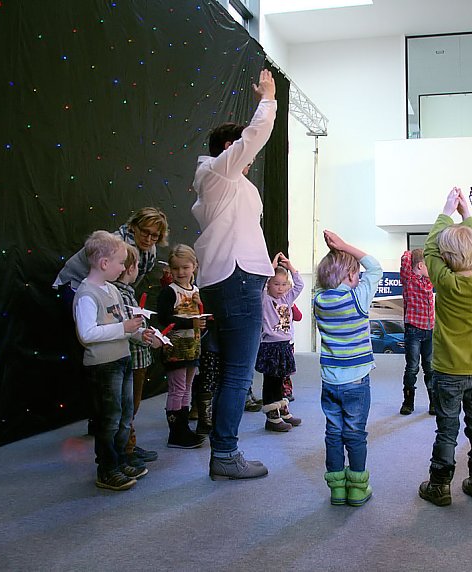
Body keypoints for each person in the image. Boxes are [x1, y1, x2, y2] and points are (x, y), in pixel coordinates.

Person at [192, 69, 277, 480]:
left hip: (235, 279)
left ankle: (223, 451)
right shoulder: (217, 174)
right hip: (236, 279)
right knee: (239, 374)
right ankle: (225, 454)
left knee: (232, 371)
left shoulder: (235, 187)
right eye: (242, 150)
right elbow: (253, 138)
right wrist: (268, 99)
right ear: (230, 148)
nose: (251, 157)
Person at [418, 188, 472, 506]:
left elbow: (429, 250)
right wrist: (467, 215)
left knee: (446, 429)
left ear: (445, 258)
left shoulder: (445, 284)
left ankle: (440, 485)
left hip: (448, 372)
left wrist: (446, 211)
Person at [72, 231, 156, 491]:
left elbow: (122, 325)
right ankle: (107, 469)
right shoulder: (87, 294)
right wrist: (124, 329)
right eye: (121, 262)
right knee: (109, 419)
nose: (124, 268)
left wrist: (141, 334)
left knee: (124, 415)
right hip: (103, 366)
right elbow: (87, 334)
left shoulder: (112, 291)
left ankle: (119, 461)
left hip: (123, 359)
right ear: (104, 263)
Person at [314, 231, 382, 507]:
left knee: (333, 433)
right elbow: (375, 266)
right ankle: (356, 488)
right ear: (353, 276)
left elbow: (321, 284)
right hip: (356, 381)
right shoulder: (358, 299)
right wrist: (343, 246)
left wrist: (333, 259)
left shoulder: (318, 301)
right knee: (355, 434)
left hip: (329, 381)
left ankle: (337, 490)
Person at [110, 245, 159, 465]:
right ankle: (125, 450)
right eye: (137, 265)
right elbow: (125, 326)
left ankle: (129, 444)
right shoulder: (119, 294)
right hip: (132, 357)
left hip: (139, 356)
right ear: (129, 268)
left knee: (131, 406)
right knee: (128, 406)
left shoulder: (127, 292)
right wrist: (144, 336)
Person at [157, 244, 206, 449]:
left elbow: (202, 316)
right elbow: (164, 318)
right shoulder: (170, 292)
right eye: (176, 268)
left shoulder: (196, 291)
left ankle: (184, 429)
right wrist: (190, 322)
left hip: (193, 345)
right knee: (177, 389)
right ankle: (176, 433)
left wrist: (202, 319)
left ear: (194, 266)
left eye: (185, 268)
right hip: (175, 347)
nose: (180, 273)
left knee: (187, 387)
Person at [256, 252, 304, 432]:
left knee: (282, 379)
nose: (280, 288)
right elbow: (260, 286)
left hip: (285, 344)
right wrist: (271, 267)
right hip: (270, 346)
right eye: (276, 284)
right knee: (271, 381)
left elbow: (300, 285)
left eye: (284, 284)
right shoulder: (265, 299)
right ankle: (271, 416)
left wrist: (291, 267)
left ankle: (282, 409)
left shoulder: (287, 299)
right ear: (269, 284)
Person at [399, 248, 435, 415]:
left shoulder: (429, 282)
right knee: (412, 367)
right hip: (414, 330)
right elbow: (405, 260)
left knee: (430, 367)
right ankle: (408, 401)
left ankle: (434, 402)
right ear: (420, 265)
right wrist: (412, 253)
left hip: (429, 331)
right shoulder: (409, 280)